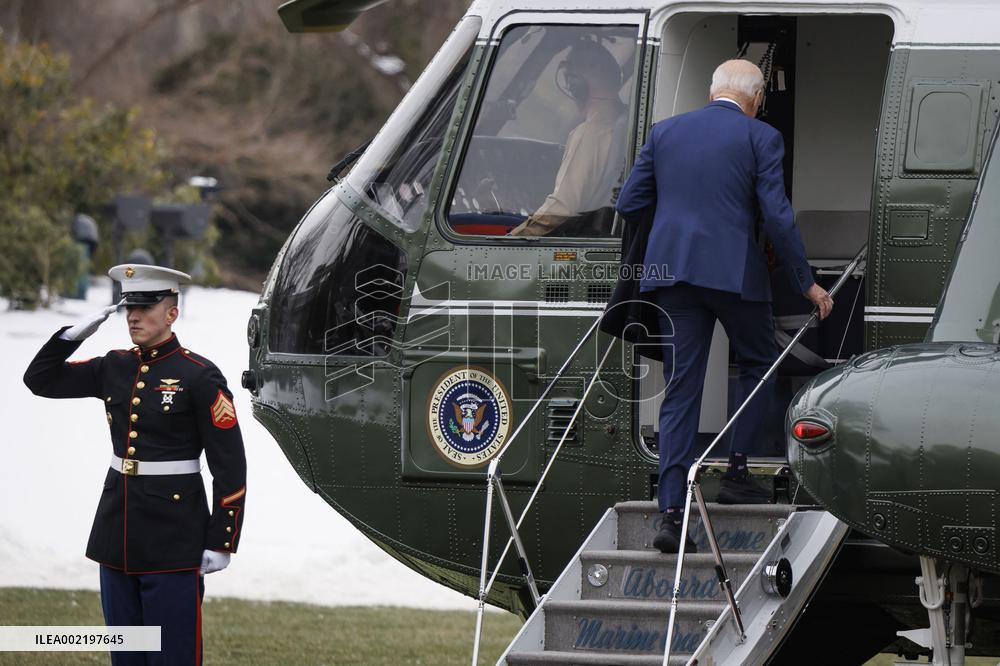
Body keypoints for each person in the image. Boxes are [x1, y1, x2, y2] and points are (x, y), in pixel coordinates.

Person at [615, 59, 833, 554]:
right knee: (759, 362)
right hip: (734, 276)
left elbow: (630, 202)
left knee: (681, 389)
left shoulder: (666, 132)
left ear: (712, 91)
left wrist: (675, 226)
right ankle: (737, 472)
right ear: (755, 100)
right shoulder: (761, 137)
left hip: (671, 278)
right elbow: (777, 216)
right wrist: (808, 285)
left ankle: (671, 515)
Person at [23, 264, 247, 665]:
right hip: (118, 531)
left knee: (171, 656)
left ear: (172, 313)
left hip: (174, 537)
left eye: (146, 306)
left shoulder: (199, 376)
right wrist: (71, 337)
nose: (134, 316)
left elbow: (229, 463)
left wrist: (222, 538)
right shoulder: (115, 366)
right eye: (129, 307)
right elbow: (40, 380)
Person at [509, 40, 627, 236]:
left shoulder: (590, 133)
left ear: (576, 84)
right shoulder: (626, 122)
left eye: (569, 78)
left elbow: (562, 208)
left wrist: (512, 239)